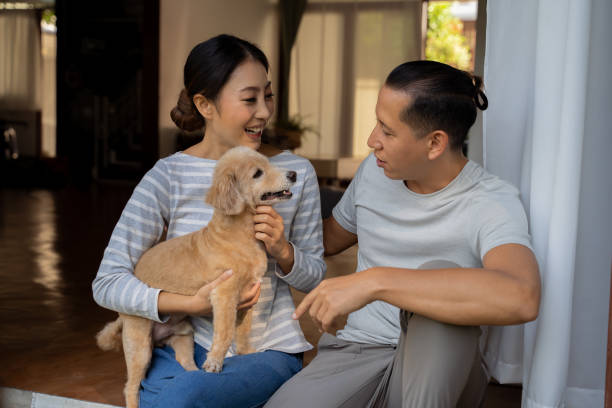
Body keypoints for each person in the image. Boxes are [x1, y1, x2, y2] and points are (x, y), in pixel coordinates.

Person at [264, 60, 541, 408]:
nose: (371, 140)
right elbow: (330, 239)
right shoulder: (374, 171)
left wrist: (374, 282)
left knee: (440, 274)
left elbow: (522, 296)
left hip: (442, 370)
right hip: (357, 352)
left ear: (435, 143)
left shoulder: (490, 201)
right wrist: (278, 240)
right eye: (376, 122)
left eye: (387, 130)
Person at [92, 34, 326, 408]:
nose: (264, 112)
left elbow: (314, 273)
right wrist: (189, 304)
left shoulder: (294, 172)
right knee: (174, 399)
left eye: (268, 96)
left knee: (185, 398)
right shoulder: (167, 176)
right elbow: (107, 283)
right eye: (249, 99)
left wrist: (283, 251)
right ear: (205, 104)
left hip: (266, 349)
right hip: (183, 345)